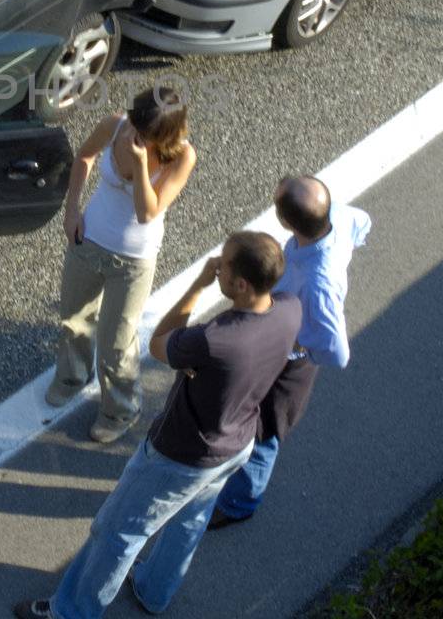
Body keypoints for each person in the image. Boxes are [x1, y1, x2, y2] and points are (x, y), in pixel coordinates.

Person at [15, 231, 301, 619]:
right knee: (189, 522)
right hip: (236, 444)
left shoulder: (216, 340)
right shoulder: (289, 308)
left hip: (180, 455)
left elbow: (160, 342)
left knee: (116, 532)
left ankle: (71, 612)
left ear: (241, 284)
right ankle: (153, 592)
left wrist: (198, 286)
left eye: (225, 263)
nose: (218, 265)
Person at [208, 175, 371, 529]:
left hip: (287, 360)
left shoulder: (319, 283)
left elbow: (337, 352)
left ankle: (240, 503)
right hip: (278, 334)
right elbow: (363, 223)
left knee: (264, 430)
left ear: (285, 222)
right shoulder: (337, 218)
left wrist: (298, 347)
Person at [47, 86, 197, 444]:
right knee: (74, 318)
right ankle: (71, 377)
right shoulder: (115, 125)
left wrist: (143, 164)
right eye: (133, 124)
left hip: (133, 260)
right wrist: (71, 212)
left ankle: (120, 410)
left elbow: (148, 212)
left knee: (117, 342)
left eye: (144, 134)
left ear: (166, 135)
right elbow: (83, 157)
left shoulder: (182, 157)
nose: (133, 134)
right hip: (88, 241)